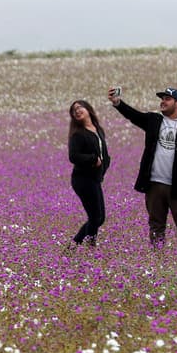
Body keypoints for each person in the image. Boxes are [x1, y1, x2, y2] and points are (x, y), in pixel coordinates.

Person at [108, 86, 177, 248]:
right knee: (156, 223)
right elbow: (134, 116)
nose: (163, 102)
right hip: (154, 183)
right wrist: (117, 103)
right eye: (162, 99)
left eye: (167, 99)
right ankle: (158, 256)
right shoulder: (153, 120)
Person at [66, 99, 111, 247]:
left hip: (94, 178)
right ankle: (85, 247)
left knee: (99, 218)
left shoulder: (97, 129)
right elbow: (73, 156)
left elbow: (103, 152)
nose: (77, 111)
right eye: (74, 111)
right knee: (95, 217)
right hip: (82, 179)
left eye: (80, 108)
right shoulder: (78, 134)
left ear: (88, 109)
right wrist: (93, 159)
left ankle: (76, 246)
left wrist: (105, 165)